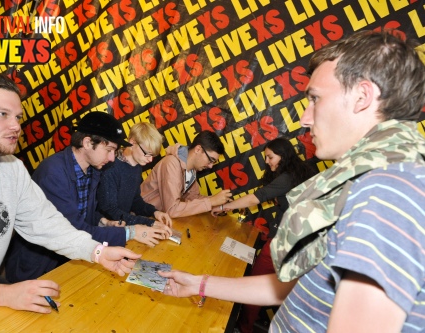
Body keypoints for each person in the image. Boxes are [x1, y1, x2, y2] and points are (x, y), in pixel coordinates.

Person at [158, 30, 425, 332]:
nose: (305, 118)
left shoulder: (391, 190)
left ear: (362, 96)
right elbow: (291, 287)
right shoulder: (371, 180)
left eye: (315, 99)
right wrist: (199, 284)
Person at [0, 72, 141, 331]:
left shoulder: (12, 168)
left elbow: (47, 224)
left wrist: (98, 252)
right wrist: (2, 294)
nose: (16, 126)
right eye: (2, 114)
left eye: (17, 117)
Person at [5, 113, 169, 283]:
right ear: (87, 143)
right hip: (37, 270)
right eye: (109, 150)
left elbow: (84, 213)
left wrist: (102, 221)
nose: (112, 158)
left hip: (68, 261)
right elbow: (75, 230)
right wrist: (131, 232)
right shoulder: (53, 173)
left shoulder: (93, 170)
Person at [211, 137, 315, 333]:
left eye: (270, 157)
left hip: (284, 244)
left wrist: (223, 206)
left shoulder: (287, 178)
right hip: (296, 244)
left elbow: (255, 198)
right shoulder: (295, 174)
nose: (267, 162)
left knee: (254, 286)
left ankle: (244, 328)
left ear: (282, 156)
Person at [97, 122, 173, 229]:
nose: (150, 160)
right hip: (106, 229)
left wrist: (155, 212)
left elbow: (135, 200)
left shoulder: (137, 166)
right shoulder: (111, 168)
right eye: (147, 153)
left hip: (124, 224)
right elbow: (110, 210)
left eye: (153, 156)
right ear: (132, 142)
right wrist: (148, 223)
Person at [140, 130, 232, 218]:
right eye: (210, 160)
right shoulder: (171, 163)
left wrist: (216, 202)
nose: (211, 166)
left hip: (157, 217)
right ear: (198, 149)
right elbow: (172, 209)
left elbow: (193, 197)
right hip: (141, 216)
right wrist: (211, 202)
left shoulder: (191, 169)